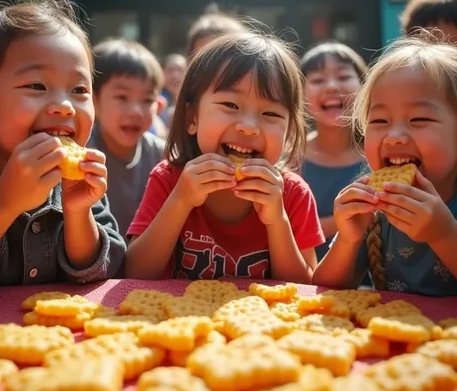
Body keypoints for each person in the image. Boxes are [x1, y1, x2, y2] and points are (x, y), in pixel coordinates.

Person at [125, 31, 324, 281]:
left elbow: (304, 288)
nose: (249, 126)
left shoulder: (292, 194)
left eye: (271, 114)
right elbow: (135, 273)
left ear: (289, 130)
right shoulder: (169, 180)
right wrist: (180, 200)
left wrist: (277, 221)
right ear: (192, 118)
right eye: (231, 106)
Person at [0, 0, 126, 289]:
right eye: (37, 86)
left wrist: (78, 212)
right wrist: (4, 202)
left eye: (78, 89)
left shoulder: (81, 180)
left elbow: (99, 272)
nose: (65, 106)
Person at [313, 35, 457, 296]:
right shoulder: (374, 211)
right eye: (379, 121)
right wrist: (348, 239)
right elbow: (323, 291)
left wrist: (444, 235)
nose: (394, 136)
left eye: (419, 118)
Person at [91, 38, 165, 238]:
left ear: (159, 105)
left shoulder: (163, 156)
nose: (135, 111)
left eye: (147, 100)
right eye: (122, 97)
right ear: (93, 100)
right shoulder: (83, 153)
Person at [300, 42, 367, 259]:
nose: (331, 86)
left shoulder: (382, 157)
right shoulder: (288, 158)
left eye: (343, 77)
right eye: (317, 80)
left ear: (364, 86)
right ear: (299, 95)